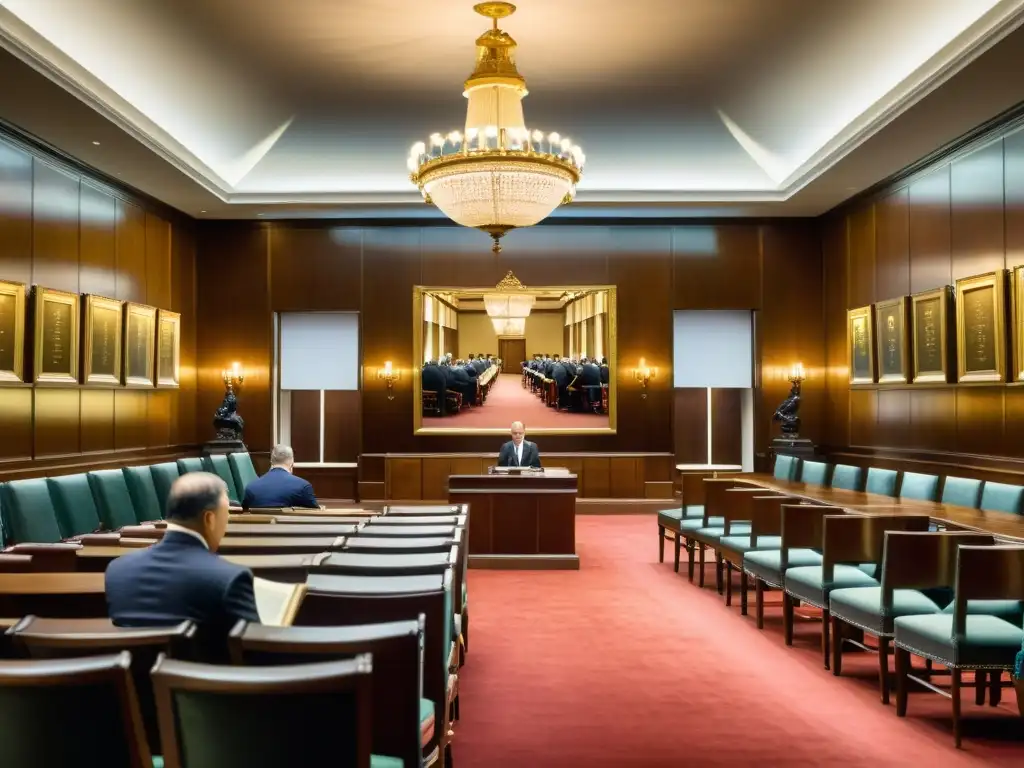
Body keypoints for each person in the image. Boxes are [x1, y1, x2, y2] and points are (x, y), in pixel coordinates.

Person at [105, 472, 260, 643]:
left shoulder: (117, 570)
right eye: (226, 516)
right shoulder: (229, 579)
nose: (227, 524)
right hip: (202, 669)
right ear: (210, 519)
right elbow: (255, 650)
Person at [242, 444, 319, 509]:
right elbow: (315, 513)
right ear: (292, 461)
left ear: (271, 461)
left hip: (259, 526)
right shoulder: (303, 486)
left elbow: (244, 513)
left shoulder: (251, 487)